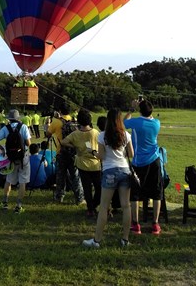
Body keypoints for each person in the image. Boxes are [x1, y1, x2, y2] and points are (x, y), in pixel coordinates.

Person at [83, 108, 133, 249]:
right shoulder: (126, 135)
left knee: (104, 206)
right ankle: (125, 239)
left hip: (109, 171)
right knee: (126, 206)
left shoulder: (102, 136)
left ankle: (97, 240)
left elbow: (101, 156)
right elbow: (132, 154)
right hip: (125, 170)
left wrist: (92, 152)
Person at [124, 98, 163, 235]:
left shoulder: (136, 122)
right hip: (155, 161)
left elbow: (124, 122)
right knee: (157, 193)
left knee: (135, 194)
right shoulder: (157, 123)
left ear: (140, 111)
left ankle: (136, 224)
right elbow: (149, 116)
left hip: (139, 162)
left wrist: (131, 109)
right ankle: (155, 224)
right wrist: (144, 104)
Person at [61, 109, 101, 218]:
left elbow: (63, 141)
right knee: (99, 188)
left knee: (86, 188)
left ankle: (90, 208)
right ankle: (94, 204)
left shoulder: (75, 134)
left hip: (82, 163)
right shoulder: (95, 132)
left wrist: (74, 146)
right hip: (95, 163)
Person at [0, 109, 31, 213]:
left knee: (9, 180)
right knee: (23, 181)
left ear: (9, 119)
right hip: (23, 157)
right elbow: (28, 143)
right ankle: (18, 205)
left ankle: (5, 202)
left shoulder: (6, 128)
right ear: (18, 118)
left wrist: (2, 148)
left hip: (10, 157)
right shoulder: (23, 127)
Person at [46, 105, 84, 205]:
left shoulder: (57, 122)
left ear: (60, 111)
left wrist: (52, 120)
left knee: (60, 176)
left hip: (61, 152)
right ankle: (79, 198)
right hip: (73, 152)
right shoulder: (74, 120)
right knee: (75, 176)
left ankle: (59, 197)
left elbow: (48, 134)